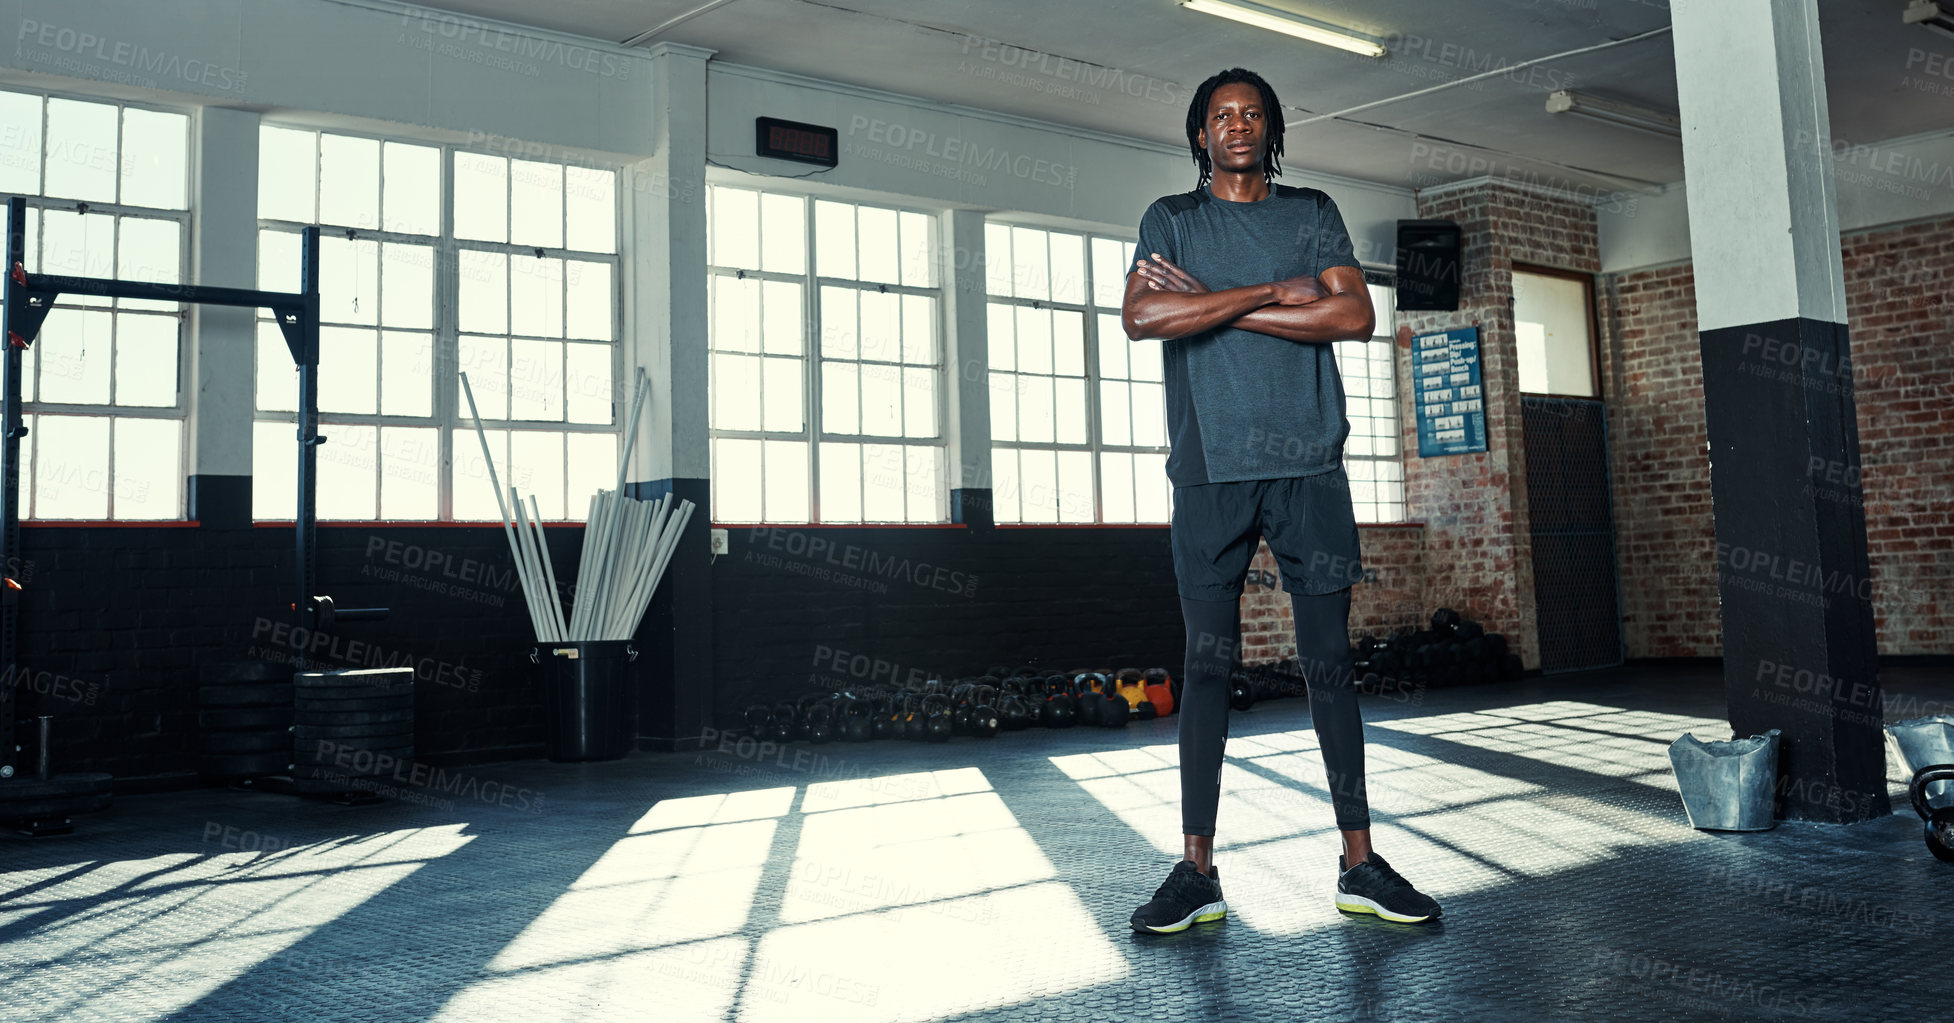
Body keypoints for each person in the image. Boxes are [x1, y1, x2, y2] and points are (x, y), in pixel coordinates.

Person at [1121, 67, 1441, 933]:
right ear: (1200, 133)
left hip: (1310, 469)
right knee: (1208, 669)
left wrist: (1215, 306)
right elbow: (1144, 318)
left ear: (1271, 130)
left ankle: (1360, 861)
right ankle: (1196, 872)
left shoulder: (1312, 213)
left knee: (1331, 665)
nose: (1238, 125)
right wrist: (1271, 292)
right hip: (1208, 471)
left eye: (1252, 114)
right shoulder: (1172, 219)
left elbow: (1354, 317)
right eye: (1222, 115)